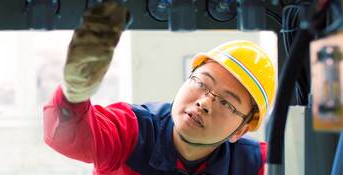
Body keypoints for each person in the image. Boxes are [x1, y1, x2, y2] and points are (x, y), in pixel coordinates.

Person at [43, 1, 277, 175]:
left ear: (241, 130)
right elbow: (68, 138)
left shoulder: (255, 163)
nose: (204, 103)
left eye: (226, 102)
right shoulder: (133, 131)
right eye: (201, 83)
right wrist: (74, 92)